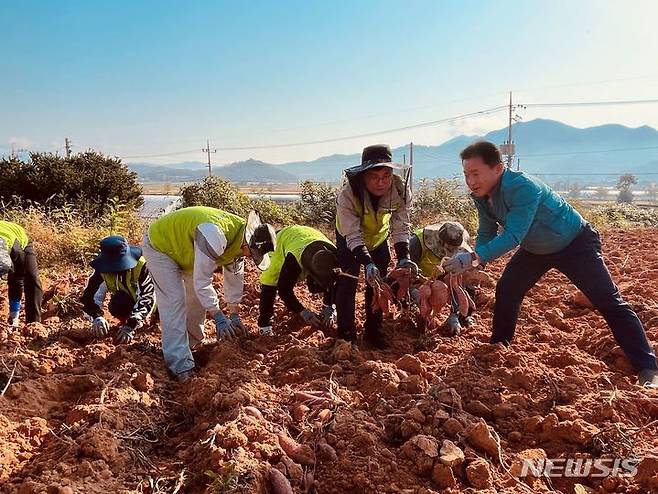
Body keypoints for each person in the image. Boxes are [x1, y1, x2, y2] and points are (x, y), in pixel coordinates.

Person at [443, 140, 658, 387]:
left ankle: (648, 368)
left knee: (608, 301)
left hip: (575, 243)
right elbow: (487, 230)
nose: (470, 180)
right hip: (536, 249)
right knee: (508, 289)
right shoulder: (482, 196)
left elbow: (513, 235)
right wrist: (478, 260)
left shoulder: (523, 187)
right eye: (466, 174)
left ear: (498, 168)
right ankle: (499, 347)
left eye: (475, 173)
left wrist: (473, 258)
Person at [143, 206, 276, 382]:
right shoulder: (215, 235)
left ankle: (193, 344)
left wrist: (234, 314)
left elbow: (235, 277)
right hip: (161, 246)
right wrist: (219, 316)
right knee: (174, 301)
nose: (251, 257)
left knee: (196, 299)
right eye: (252, 253)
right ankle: (179, 365)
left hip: (187, 252)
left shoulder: (239, 242)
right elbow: (202, 282)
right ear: (247, 243)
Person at [335, 144, 416, 348]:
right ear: (363, 175)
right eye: (374, 177)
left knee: (379, 285)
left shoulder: (399, 190)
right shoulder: (348, 194)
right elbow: (352, 234)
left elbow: (401, 226)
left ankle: (373, 331)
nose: (381, 182)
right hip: (349, 240)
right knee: (347, 284)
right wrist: (366, 262)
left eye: (386, 176)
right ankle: (347, 334)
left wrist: (403, 257)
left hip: (378, 239)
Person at [258, 225, 338, 335]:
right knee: (270, 282)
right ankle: (264, 327)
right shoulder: (294, 262)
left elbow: (336, 282)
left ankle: (325, 306)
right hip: (281, 240)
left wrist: (331, 307)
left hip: (309, 238)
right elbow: (284, 290)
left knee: (325, 276)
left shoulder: (334, 257)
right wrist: (303, 312)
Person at [80, 235, 156, 344]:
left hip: (158, 302)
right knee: (118, 303)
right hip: (129, 301)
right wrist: (96, 317)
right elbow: (89, 297)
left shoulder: (142, 266)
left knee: (162, 310)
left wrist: (132, 324)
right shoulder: (101, 271)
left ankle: (154, 320)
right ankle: (125, 321)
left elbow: (148, 297)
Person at [409, 221, 475, 335]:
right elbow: (408, 271)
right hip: (418, 279)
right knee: (414, 292)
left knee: (466, 282)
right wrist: (419, 296)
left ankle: (461, 318)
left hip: (443, 281)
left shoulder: (462, 253)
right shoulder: (418, 241)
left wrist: (454, 314)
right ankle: (413, 310)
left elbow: (457, 283)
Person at [0, 220, 43, 326]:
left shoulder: (16, 251)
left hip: (18, 238)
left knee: (32, 278)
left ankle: (33, 324)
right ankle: (14, 317)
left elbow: (18, 278)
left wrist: (14, 316)